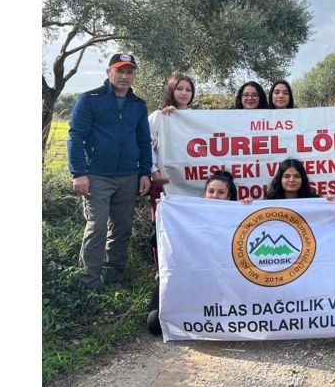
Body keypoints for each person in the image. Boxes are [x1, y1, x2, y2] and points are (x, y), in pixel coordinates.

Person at [67, 52, 152, 290]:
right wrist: (79, 173)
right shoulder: (90, 99)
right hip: (97, 176)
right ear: (108, 72)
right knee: (97, 229)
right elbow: (75, 137)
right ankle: (88, 285)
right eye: (120, 70)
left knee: (122, 228)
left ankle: (112, 279)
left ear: (134, 75)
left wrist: (144, 172)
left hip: (128, 177)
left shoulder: (138, 105)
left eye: (129, 71)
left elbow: (144, 142)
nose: (125, 76)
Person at [146, 170, 238, 334]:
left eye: (221, 192)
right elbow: (154, 241)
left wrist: (246, 208)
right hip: (183, 278)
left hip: (219, 281)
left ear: (229, 196)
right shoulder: (186, 214)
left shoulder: (237, 216)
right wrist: (161, 216)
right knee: (154, 324)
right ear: (204, 194)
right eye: (211, 191)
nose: (215, 196)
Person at [148, 73, 195, 216]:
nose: (184, 93)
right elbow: (145, 145)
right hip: (164, 180)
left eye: (188, 90)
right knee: (162, 220)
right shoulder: (159, 116)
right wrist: (153, 171)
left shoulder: (196, 117)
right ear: (171, 90)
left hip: (189, 180)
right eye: (179, 88)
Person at [264, 158, 335, 200]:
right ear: (280, 179)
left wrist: (331, 203)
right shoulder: (270, 202)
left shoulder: (314, 201)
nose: (291, 180)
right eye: (286, 176)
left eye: (297, 176)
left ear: (303, 179)